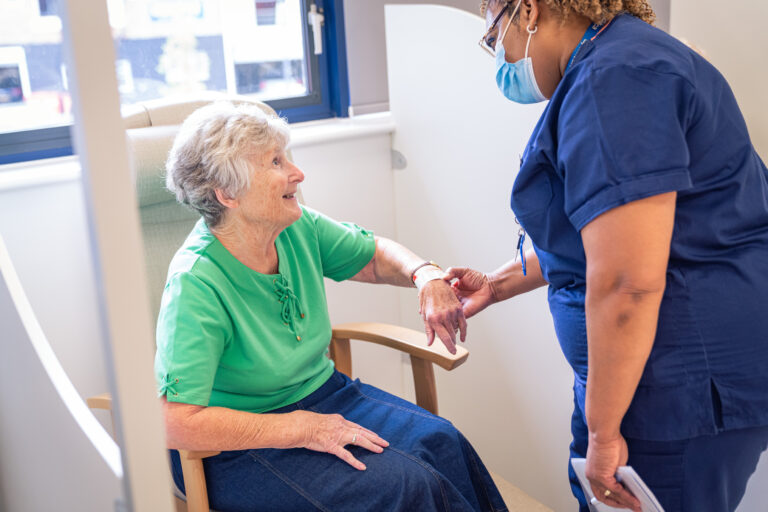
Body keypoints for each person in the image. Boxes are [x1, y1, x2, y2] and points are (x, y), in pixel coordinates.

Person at [447, 1, 768, 511]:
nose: (500, 58)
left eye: (493, 38)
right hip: (658, 379)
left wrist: (602, 432)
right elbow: (604, 239)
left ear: (528, 11)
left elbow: (627, 282)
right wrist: (498, 282)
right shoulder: (614, 61)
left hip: (678, 387)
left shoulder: (615, 80)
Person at [154, 101, 506, 512]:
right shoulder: (196, 283)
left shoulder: (296, 226)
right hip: (236, 441)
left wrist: (423, 274)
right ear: (227, 194)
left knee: (444, 443)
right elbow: (175, 422)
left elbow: (373, 256)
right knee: (405, 486)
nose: (297, 173)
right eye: (275, 162)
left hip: (324, 396)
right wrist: (297, 429)